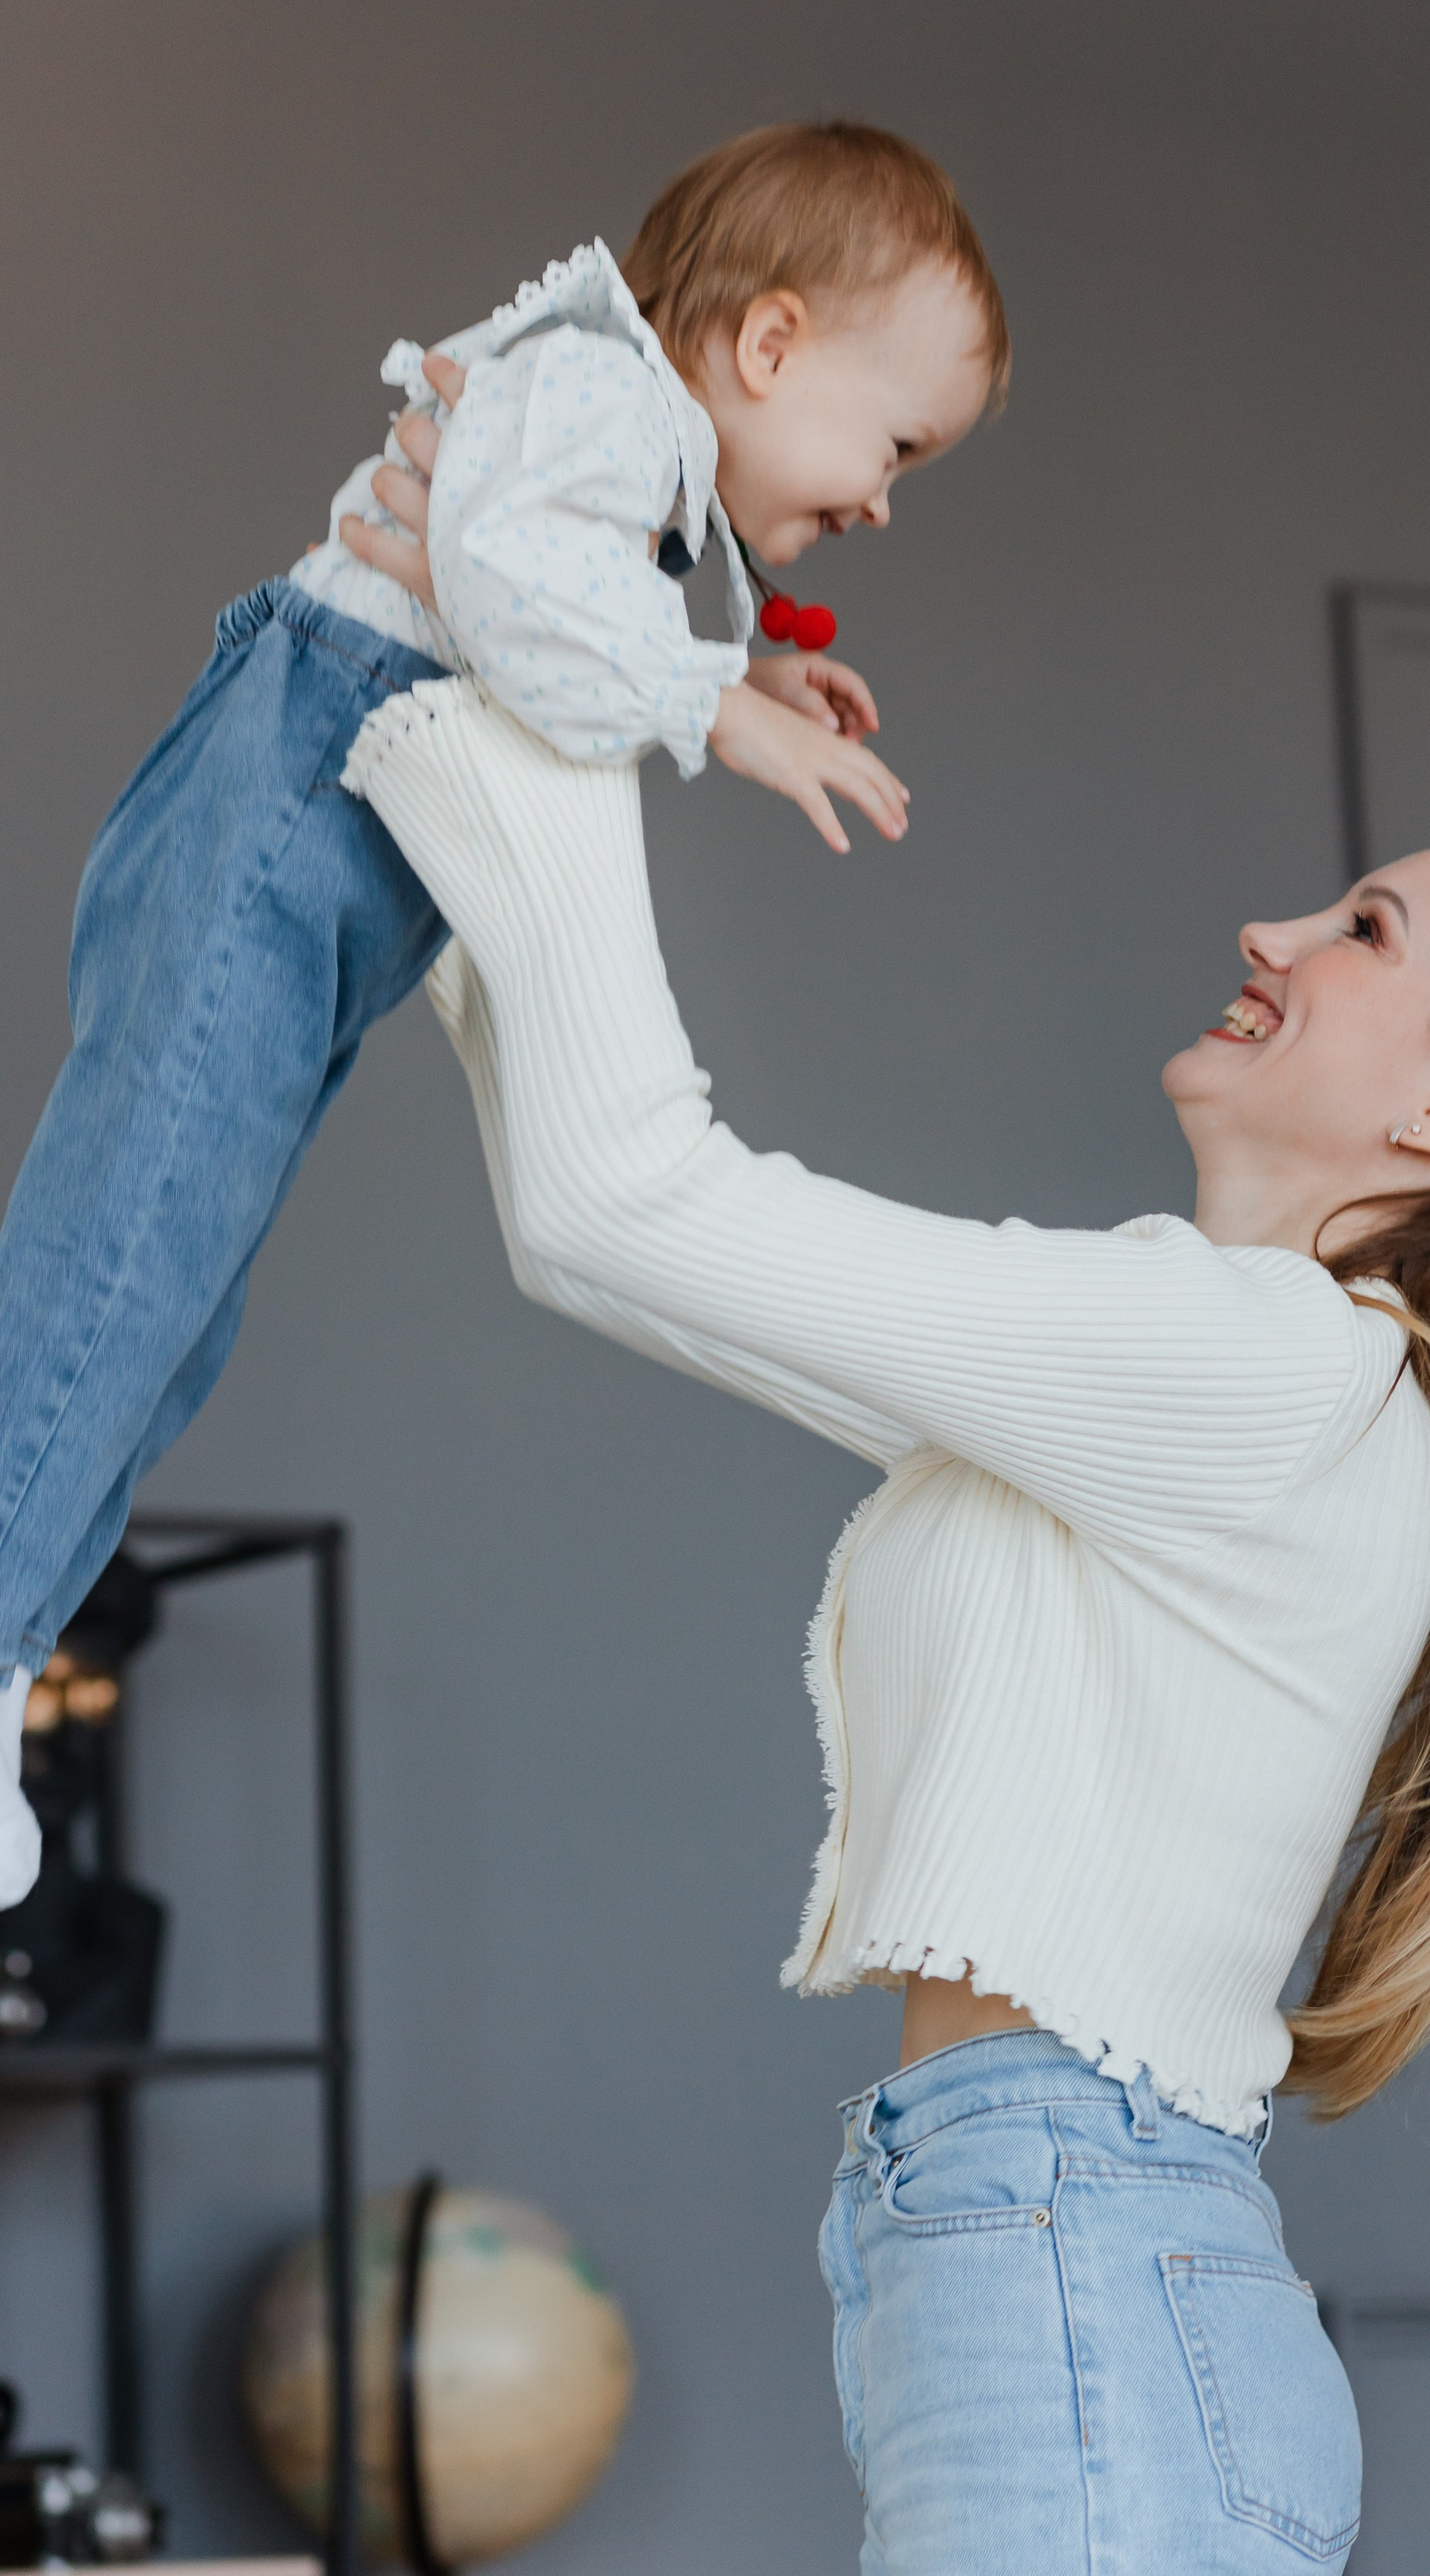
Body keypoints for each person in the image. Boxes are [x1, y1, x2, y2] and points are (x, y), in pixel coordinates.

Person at [330, 391, 1430, 2576]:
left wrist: (500, 683)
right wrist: (459, 706)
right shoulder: (1221, 1371)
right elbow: (621, 1213)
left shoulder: (1269, 1381)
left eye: (1366, 933)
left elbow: (627, 1207)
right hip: (1025, 2238)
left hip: (1069, 2247)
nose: (1273, 931)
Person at [0, 122, 1006, 1898]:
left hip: (312, 819)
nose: (881, 498)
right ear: (766, 350)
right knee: (125, 1252)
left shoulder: (611, 442)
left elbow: (538, 569)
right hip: (290, 794)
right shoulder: (603, 396)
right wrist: (720, 706)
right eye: (894, 441)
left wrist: (739, 657)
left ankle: (10, 1656)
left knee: (174, 1305)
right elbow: (521, 591)